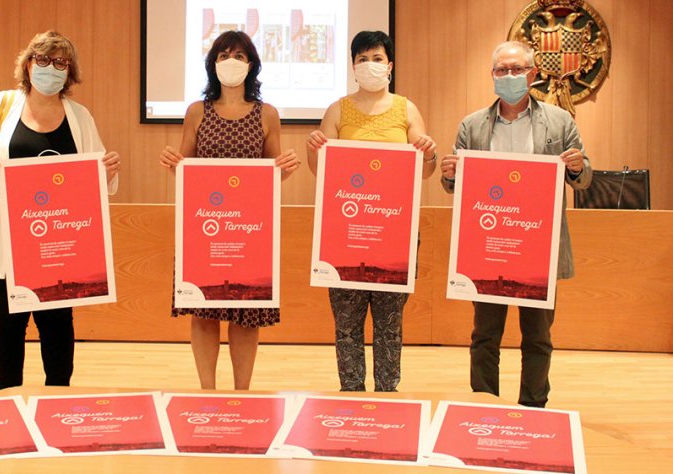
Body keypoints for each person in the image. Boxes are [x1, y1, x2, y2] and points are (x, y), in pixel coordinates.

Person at [0, 31, 120, 390]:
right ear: (29, 64)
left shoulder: (80, 116)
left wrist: (108, 171)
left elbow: (95, 175)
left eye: (60, 62)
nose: (50, 68)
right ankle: (8, 397)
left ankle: (57, 397)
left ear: (70, 71)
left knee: (57, 320)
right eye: (43, 59)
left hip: (60, 240)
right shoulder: (2, 104)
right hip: (9, 236)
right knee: (7, 320)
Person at [439, 41, 592, 407]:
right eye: (502, 70)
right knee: (484, 336)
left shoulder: (560, 121)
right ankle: (483, 404)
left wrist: (576, 166)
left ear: (532, 74)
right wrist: (449, 174)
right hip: (488, 249)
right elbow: (453, 186)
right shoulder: (472, 125)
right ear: (492, 75)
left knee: (538, 337)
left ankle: (534, 406)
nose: (509, 76)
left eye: (517, 69)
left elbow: (584, 178)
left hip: (537, 250)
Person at [159, 31, 300, 390]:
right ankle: (207, 390)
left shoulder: (267, 114)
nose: (230, 61)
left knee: (246, 312)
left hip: (250, 231)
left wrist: (283, 169)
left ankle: (243, 392)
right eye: (223, 55)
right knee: (204, 310)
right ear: (213, 64)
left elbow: (272, 176)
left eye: (238, 55)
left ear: (251, 64)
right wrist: (174, 163)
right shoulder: (197, 111)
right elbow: (186, 170)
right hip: (205, 227)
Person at [306, 31, 437, 392]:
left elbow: (424, 172)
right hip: (345, 234)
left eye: (377, 58)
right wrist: (314, 148)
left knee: (389, 324)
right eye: (362, 59)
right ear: (353, 66)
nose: (370, 65)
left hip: (394, 235)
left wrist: (429, 153)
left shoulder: (407, 109)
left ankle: (387, 394)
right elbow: (320, 170)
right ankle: (350, 392)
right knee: (347, 324)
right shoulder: (337, 110)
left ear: (390, 65)